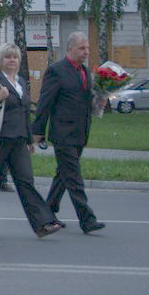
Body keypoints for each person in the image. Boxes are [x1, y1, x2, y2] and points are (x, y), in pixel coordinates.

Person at [0, 43, 62, 238]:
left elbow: (24, 112)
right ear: (0, 60)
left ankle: (42, 223)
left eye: (15, 57)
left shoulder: (21, 82)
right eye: (8, 57)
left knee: (25, 181)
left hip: (18, 141)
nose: (12, 60)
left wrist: (29, 138)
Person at [32, 32, 105, 234]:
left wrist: (99, 101)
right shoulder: (56, 70)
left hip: (80, 132)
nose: (86, 52)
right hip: (63, 133)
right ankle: (87, 220)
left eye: (87, 48)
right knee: (73, 177)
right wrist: (37, 131)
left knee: (63, 175)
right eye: (82, 48)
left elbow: (85, 101)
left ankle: (48, 211)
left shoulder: (85, 71)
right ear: (70, 49)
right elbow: (45, 102)